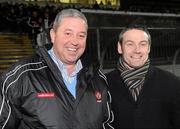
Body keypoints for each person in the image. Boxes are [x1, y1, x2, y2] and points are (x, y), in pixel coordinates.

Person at [0, 9, 113, 129]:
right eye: (68, 33)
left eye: (81, 35)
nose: (74, 41)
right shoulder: (20, 76)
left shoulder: (98, 78)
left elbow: (107, 124)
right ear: (53, 35)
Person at [106, 25, 180, 128]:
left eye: (143, 44)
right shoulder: (104, 84)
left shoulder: (172, 83)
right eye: (130, 44)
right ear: (120, 47)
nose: (137, 50)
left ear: (149, 48)